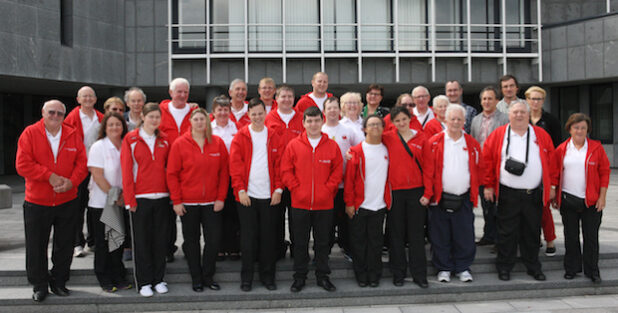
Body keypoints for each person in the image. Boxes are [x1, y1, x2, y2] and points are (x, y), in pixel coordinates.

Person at [16, 100, 88, 302]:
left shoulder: (72, 134)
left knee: (64, 245)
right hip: (37, 202)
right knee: (36, 246)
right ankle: (39, 285)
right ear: (43, 112)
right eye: (51, 112)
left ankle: (59, 282)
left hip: (67, 200)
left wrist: (72, 183)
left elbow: (82, 163)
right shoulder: (30, 133)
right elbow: (22, 165)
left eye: (60, 113)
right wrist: (49, 176)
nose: (55, 116)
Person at [482, 100, 554, 282]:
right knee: (506, 233)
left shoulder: (541, 135)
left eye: (523, 112)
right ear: (509, 115)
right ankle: (504, 267)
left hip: (532, 194)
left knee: (532, 231)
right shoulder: (499, 134)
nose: (519, 115)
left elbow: (552, 162)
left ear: (529, 115)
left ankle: (533, 266)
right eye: (515, 112)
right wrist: (489, 185)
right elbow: (487, 160)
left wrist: (552, 185)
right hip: (508, 193)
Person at [281, 106, 343, 293]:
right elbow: (286, 170)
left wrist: (327, 190)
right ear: (304, 123)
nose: (313, 124)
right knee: (299, 243)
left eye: (316, 120)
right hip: (300, 203)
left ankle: (322, 276)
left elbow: (337, 171)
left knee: (322, 243)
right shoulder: (294, 145)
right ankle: (299, 277)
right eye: (309, 121)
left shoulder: (332, 145)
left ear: (322, 121)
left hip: (324, 204)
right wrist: (296, 189)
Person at [167, 108, 229, 293]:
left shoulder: (217, 143)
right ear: (191, 122)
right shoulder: (179, 144)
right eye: (196, 119)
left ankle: (208, 276)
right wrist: (176, 201)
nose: (200, 122)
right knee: (192, 242)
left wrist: (220, 198)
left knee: (213, 241)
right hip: (188, 203)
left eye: (203, 119)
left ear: (208, 122)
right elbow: (172, 174)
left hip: (212, 203)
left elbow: (224, 174)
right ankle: (196, 278)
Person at [230, 98, 283, 292]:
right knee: (248, 239)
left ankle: (268, 277)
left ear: (265, 113)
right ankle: (247, 279)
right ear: (248, 115)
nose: (258, 117)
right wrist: (240, 190)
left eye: (261, 113)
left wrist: (278, 189)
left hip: (270, 196)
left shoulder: (274, 135)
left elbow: (280, 165)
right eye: (254, 114)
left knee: (268, 239)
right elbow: (235, 166)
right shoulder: (241, 136)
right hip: (247, 197)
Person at [550, 113, 610, 283]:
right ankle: (572, 268)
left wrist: (602, 197)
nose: (580, 131)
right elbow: (554, 173)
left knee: (591, 237)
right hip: (568, 199)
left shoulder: (596, 148)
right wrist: (553, 192)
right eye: (576, 127)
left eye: (583, 128)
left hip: (591, 201)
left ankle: (592, 271)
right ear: (569, 129)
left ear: (588, 130)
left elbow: (604, 173)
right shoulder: (561, 149)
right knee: (571, 236)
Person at [424, 105, 481, 283]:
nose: (456, 122)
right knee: (440, 235)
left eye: (459, 119)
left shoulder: (472, 143)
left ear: (464, 122)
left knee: (464, 234)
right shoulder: (434, 142)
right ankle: (444, 268)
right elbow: (428, 171)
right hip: (440, 198)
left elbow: (479, 168)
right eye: (452, 119)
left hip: (463, 197)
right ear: (445, 120)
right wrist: (428, 194)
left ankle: (463, 267)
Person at [121, 103, 171, 297]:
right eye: (151, 117)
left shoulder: (165, 140)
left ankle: (159, 279)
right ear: (142, 117)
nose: (154, 120)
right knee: (141, 242)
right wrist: (129, 199)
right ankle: (144, 282)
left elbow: (171, 170)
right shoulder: (131, 139)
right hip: (140, 198)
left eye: (157, 117)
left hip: (162, 197)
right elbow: (126, 171)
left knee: (160, 242)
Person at [380, 106, 430, 288]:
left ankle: (419, 274)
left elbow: (429, 168)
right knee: (396, 234)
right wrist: (352, 153)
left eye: (404, 119)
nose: (401, 123)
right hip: (395, 192)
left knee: (416, 235)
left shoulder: (422, 138)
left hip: (417, 192)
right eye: (397, 120)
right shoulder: (388, 137)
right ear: (392, 123)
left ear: (410, 119)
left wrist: (428, 193)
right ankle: (398, 273)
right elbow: (368, 143)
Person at [87, 112, 131, 292]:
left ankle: (118, 274)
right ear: (105, 127)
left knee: (118, 241)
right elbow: (97, 176)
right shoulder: (99, 146)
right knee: (104, 242)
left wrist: (123, 198)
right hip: (103, 203)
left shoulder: (126, 145)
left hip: (121, 202)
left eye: (118, 124)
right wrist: (115, 197)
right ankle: (104, 276)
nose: (115, 128)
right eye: (111, 125)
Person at [344, 114, 390, 287]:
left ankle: (374, 274)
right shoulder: (356, 151)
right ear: (364, 128)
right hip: (359, 205)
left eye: (378, 124)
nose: (375, 128)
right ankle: (361, 274)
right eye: (371, 125)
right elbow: (349, 180)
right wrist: (349, 203)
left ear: (383, 128)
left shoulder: (387, 149)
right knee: (359, 243)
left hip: (379, 205)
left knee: (376, 243)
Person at [159, 77, 197, 263]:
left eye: (185, 92)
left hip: (190, 171)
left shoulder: (195, 112)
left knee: (188, 212)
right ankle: (168, 248)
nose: (182, 95)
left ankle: (190, 247)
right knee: (167, 214)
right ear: (171, 92)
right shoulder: (160, 112)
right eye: (178, 91)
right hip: (166, 169)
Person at [64, 86, 104, 258]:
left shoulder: (101, 118)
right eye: (84, 96)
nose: (88, 99)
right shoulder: (71, 118)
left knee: (95, 206)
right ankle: (77, 243)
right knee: (78, 207)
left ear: (95, 99)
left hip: (97, 168)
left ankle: (93, 241)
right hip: (79, 168)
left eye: (91, 96)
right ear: (78, 99)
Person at [264, 85, 304, 260]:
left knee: (297, 218)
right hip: (275, 178)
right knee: (276, 218)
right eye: (283, 96)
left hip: (298, 177)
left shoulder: (302, 119)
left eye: (290, 96)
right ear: (276, 99)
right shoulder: (268, 118)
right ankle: (278, 250)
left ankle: (298, 251)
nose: (287, 100)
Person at [322, 97, 363, 261]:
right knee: (327, 220)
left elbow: (361, 149)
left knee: (347, 219)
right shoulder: (321, 129)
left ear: (340, 110)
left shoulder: (348, 130)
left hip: (346, 184)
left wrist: (352, 156)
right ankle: (325, 249)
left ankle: (348, 248)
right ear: (324, 111)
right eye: (329, 108)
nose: (332, 111)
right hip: (327, 185)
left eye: (335, 108)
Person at [470, 86, 509, 247]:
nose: (487, 102)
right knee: (486, 205)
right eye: (484, 99)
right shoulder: (475, 120)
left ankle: (500, 239)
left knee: (499, 206)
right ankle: (489, 235)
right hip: (481, 169)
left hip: (499, 167)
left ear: (497, 101)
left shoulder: (505, 119)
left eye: (490, 98)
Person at [526, 85, 562, 256]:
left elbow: (556, 149)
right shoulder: (522, 119)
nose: (535, 102)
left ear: (543, 101)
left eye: (539, 99)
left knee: (544, 209)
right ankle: (534, 239)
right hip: (526, 172)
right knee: (528, 210)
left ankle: (550, 240)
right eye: (532, 98)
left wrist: (554, 182)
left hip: (545, 172)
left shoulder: (551, 120)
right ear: (527, 100)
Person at [210, 95, 241, 261]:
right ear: (213, 112)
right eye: (219, 110)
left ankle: (233, 247)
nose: (222, 113)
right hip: (213, 177)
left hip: (232, 176)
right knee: (216, 215)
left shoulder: (236, 128)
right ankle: (219, 248)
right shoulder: (208, 128)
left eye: (225, 110)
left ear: (230, 111)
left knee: (233, 214)